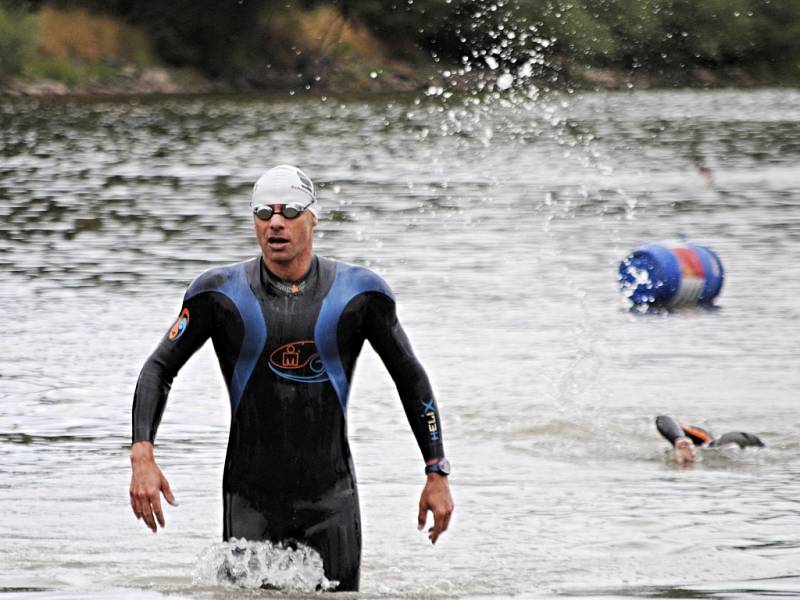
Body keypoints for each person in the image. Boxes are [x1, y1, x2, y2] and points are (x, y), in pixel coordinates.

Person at [129, 165, 454, 591]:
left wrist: (437, 471)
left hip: (331, 504)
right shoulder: (217, 294)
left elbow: (410, 377)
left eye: (289, 211)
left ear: (313, 218)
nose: (275, 222)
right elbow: (159, 368)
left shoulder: (361, 295)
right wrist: (142, 457)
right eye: (264, 212)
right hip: (251, 504)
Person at [655, 415, 764, 464]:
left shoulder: (704, 439)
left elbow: (744, 437)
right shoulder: (679, 437)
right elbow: (663, 419)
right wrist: (679, 440)